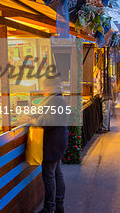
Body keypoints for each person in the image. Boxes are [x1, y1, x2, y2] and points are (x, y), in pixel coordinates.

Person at [38, 77, 69, 213]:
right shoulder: (59, 99)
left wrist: (34, 119)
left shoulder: (55, 101)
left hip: (53, 143)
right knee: (57, 173)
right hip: (58, 141)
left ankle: (49, 207)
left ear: (50, 88)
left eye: (45, 88)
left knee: (49, 174)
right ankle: (59, 204)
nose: (43, 91)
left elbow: (48, 123)